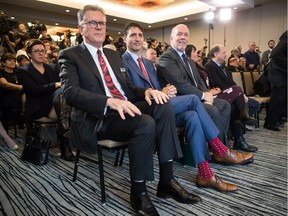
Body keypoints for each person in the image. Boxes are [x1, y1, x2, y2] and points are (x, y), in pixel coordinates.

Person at [58, 5, 201, 216]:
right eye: (93, 23)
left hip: (126, 107)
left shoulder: (112, 55)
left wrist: (147, 92)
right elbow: (69, 92)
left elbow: (126, 88)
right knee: (145, 123)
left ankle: (167, 180)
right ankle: (139, 192)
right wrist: (109, 101)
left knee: (162, 103)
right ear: (81, 28)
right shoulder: (69, 55)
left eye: (102, 23)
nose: (99, 27)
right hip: (100, 117)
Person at [122, 22, 253, 192]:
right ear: (125, 38)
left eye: (140, 35)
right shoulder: (121, 61)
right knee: (192, 99)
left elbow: (157, 88)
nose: (137, 39)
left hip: (162, 105)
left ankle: (204, 173)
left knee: (192, 116)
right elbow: (127, 91)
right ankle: (220, 149)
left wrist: (166, 90)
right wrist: (154, 93)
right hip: (142, 108)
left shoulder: (147, 63)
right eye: (133, 35)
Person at [157, 24, 231, 148]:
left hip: (197, 98)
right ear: (171, 39)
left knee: (224, 105)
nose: (183, 37)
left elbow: (199, 81)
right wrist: (203, 96)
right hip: (182, 102)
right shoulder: (167, 57)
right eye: (179, 34)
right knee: (213, 110)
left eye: (186, 35)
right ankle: (222, 149)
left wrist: (207, 95)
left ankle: (217, 146)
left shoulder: (188, 60)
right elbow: (180, 85)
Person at [17, 39, 74, 161]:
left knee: (67, 98)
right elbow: (33, 90)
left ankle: (65, 141)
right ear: (29, 54)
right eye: (36, 51)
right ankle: (65, 144)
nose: (41, 53)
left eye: (42, 51)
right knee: (65, 101)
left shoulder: (53, 67)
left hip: (56, 103)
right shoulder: (23, 71)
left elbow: (64, 82)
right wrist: (55, 85)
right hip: (37, 106)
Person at [204, 44, 258, 152]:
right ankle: (240, 138)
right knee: (237, 101)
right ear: (216, 54)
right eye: (224, 52)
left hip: (229, 95)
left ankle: (239, 138)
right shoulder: (209, 66)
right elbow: (217, 84)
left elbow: (231, 82)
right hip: (217, 96)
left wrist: (240, 95)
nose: (226, 55)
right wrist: (236, 92)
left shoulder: (223, 66)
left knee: (251, 103)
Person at [264, 31, 287, 132]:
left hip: (282, 73)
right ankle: (270, 123)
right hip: (277, 73)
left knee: (283, 98)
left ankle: (277, 119)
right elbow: (274, 54)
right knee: (277, 99)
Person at [0, 53, 25, 131]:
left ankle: (28, 126)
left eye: (14, 60)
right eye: (9, 60)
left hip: (19, 96)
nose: (13, 62)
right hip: (5, 97)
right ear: (3, 63)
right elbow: (4, 84)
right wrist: (20, 87)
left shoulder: (17, 72)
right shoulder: (1, 72)